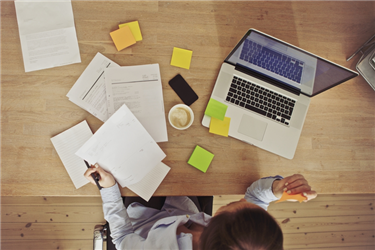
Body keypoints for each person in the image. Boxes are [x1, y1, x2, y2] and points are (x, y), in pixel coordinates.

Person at [84, 164, 317, 250]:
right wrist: (277, 188)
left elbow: (123, 237)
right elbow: (256, 198)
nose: (242, 200)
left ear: (212, 222)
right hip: (180, 204)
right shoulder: (248, 240)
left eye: (230, 205)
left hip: (139, 221)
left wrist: (109, 189)